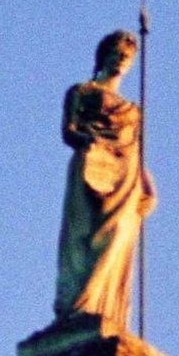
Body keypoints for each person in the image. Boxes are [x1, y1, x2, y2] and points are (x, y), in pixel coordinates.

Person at [53, 29, 156, 328]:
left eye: (128, 57)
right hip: (91, 167)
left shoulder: (134, 111)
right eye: (117, 53)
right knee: (83, 239)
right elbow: (68, 132)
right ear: (104, 56)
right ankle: (77, 307)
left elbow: (136, 151)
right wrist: (92, 142)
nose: (122, 60)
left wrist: (147, 184)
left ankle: (106, 311)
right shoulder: (81, 91)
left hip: (125, 178)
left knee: (118, 238)